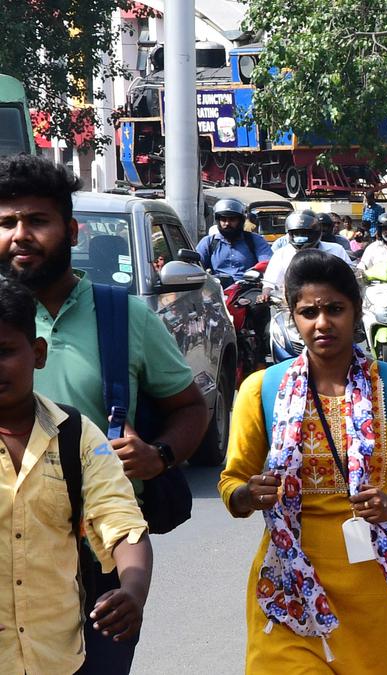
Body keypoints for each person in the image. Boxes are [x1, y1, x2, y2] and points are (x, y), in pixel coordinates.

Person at [0, 154, 205, 674]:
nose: (20, 235)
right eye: (6, 223)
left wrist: (158, 456)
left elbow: (190, 408)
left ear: (70, 231)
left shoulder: (126, 316)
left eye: (36, 221)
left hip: (101, 560)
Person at [219, 249, 387, 673]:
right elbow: (231, 482)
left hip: (382, 594)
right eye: (308, 312)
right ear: (293, 317)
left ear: (357, 310)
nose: (322, 322)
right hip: (289, 587)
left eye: (335, 309)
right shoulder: (261, 390)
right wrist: (248, 495)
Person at [262, 212, 352, 297]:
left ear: (317, 232)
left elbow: (350, 276)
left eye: (305, 233)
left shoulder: (336, 249)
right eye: (296, 233)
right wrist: (265, 295)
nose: (300, 237)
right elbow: (271, 282)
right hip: (292, 305)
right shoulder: (281, 254)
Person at [196, 198, 272, 285]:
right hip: (216, 291)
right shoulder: (208, 242)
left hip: (247, 290)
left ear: (240, 221)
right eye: (223, 220)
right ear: (218, 221)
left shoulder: (255, 240)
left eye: (232, 220)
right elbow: (196, 264)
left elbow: (267, 262)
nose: (227, 223)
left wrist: (255, 272)